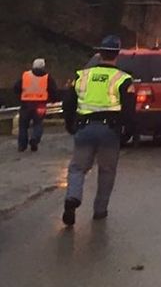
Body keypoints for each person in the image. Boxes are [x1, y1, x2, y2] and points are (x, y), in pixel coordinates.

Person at [61, 35, 135, 226]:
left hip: (84, 129)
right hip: (109, 131)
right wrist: (127, 132)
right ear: (117, 54)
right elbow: (129, 110)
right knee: (107, 171)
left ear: (100, 53)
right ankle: (100, 210)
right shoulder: (124, 79)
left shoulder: (81, 76)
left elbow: (68, 103)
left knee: (77, 168)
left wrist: (70, 124)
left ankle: (72, 197)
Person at [13, 58, 59, 152]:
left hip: (26, 104)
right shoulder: (47, 77)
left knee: (23, 126)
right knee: (38, 124)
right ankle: (35, 138)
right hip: (40, 104)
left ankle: (22, 146)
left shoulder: (26, 75)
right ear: (43, 66)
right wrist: (53, 100)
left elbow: (16, 87)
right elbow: (53, 90)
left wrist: (20, 97)